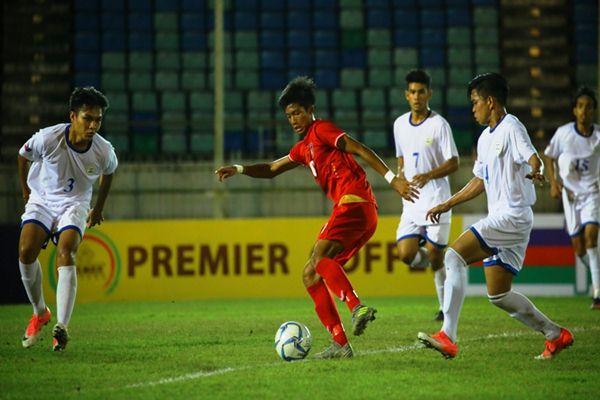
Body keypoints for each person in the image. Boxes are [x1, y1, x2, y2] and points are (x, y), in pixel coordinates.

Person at [216, 76, 417, 359]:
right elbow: (273, 168)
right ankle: (340, 343)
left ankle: (357, 306)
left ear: (310, 109)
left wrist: (392, 179)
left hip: (354, 202)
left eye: (298, 112)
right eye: (289, 115)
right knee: (310, 273)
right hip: (360, 213)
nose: (294, 119)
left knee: (319, 256)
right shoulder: (303, 147)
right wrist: (238, 168)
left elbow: (359, 148)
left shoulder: (322, 130)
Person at [417, 73, 573, 360]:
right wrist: (446, 203)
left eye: (475, 102)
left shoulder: (512, 127)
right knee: (498, 294)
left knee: (452, 256)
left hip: (513, 216)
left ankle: (448, 336)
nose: (472, 107)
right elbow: (479, 181)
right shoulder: (485, 138)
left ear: (491, 101)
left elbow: (532, 155)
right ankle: (555, 334)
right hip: (507, 220)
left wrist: (537, 169)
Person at [18, 87, 118, 351]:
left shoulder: (103, 150)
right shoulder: (49, 138)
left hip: (75, 203)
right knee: (26, 252)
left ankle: (61, 327)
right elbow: (22, 155)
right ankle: (40, 312)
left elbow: (110, 171)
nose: (93, 125)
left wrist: (98, 208)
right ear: (73, 116)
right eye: (88, 118)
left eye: (98, 120)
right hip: (42, 199)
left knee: (66, 252)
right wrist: (26, 191)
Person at [392, 69, 459, 321]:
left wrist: (429, 174)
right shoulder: (399, 124)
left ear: (429, 94)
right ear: (406, 95)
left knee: (435, 256)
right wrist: (400, 175)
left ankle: (444, 309)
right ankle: (434, 254)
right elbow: (401, 155)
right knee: (406, 255)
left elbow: (453, 162)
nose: (417, 96)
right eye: (412, 92)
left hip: (437, 201)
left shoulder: (439, 124)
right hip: (410, 202)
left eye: (421, 92)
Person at [544, 86, 600, 309]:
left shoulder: (598, 136)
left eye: (588, 107)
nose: (584, 111)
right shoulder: (563, 133)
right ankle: (597, 277)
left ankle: (597, 293)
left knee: (591, 238)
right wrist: (554, 182)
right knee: (579, 248)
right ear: (574, 111)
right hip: (570, 195)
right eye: (580, 107)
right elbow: (548, 157)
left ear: (594, 111)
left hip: (592, 194)